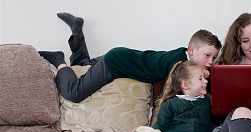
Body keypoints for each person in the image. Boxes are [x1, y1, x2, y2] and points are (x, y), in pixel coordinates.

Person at [38, 12, 221, 103]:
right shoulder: (178, 65)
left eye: (213, 57)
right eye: (207, 56)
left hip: (122, 55)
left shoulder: (180, 55)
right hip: (115, 62)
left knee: (81, 64)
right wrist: (203, 79)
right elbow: (181, 92)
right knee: (74, 93)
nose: (210, 62)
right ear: (191, 50)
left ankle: (76, 31)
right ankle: (58, 60)